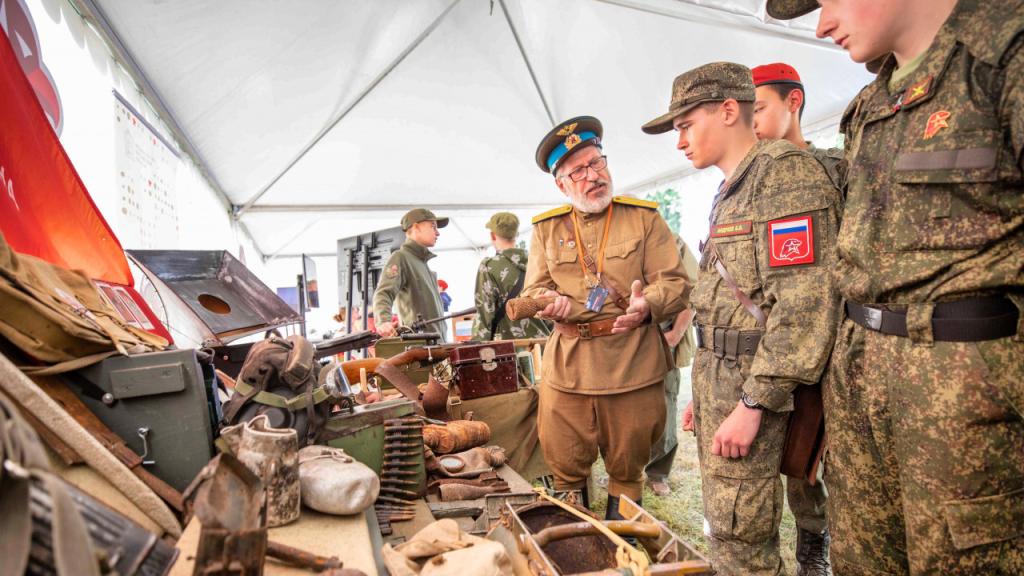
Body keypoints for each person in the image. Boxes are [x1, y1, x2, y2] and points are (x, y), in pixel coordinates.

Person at [767, 0, 1024, 573]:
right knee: (861, 557)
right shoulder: (870, 104)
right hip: (861, 382)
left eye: (829, 0)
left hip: (965, 390)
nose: (822, 24)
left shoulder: (1003, 53)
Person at [642, 63, 842, 576]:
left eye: (685, 125)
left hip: (756, 384)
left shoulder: (783, 174)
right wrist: (709, 399)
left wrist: (753, 402)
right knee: (729, 527)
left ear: (729, 111)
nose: (680, 142)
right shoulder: (737, 185)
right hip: (724, 376)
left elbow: (804, 304)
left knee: (743, 540)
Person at [523, 115, 691, 517]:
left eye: (596, 162)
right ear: (560, 183)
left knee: (627, 470)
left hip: (632, 363)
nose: (592, 176)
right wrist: (547, 301)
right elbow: (531, 292)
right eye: (577, 170)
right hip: (569, 367)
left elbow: (675, 282)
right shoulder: (547, 229)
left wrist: (647, 304)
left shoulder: (644, 217)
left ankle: (625, 545)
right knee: (565, 467)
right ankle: (576, 543)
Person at [752, 61, 839, 575]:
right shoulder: (747, 183)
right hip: (771, 340)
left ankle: (819, 544)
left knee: (824, 457)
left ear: (794, 103)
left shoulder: (832, 170)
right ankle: (803, 544)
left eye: (759, 108)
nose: (752, 122)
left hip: (831, 340)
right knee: (786, 450)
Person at [644, 236, 698, 497]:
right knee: (620, 411)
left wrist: (676, 334)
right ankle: (623, 473)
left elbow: (693, 290)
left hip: (661, 337)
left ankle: (657, 473)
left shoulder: (669, 239)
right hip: (620, 341)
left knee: (664, 404)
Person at [471, 212, 551, 341]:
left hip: (510, 349)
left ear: (492, 235)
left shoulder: (489, 267)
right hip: (544, 343)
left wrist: (476, 346)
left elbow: (485, 316)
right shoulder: (538, 262)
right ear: (516, 234)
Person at [372, 208, 449, 340]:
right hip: (420, 349)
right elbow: (383, 293)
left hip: (436, 347)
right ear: (416, 227)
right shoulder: (401, 258)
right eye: (433, 226)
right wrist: (384, 321)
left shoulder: (422, 263)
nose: (437, 233)